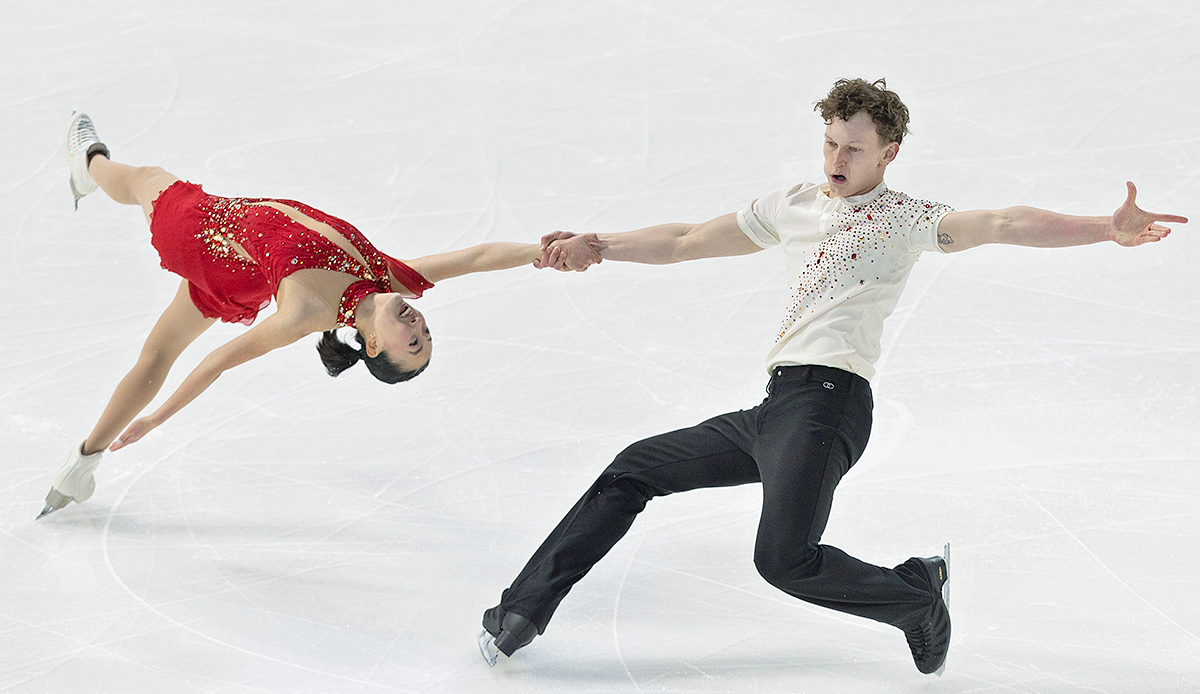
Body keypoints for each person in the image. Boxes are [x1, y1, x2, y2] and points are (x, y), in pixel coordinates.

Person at [478, 78, 1187, 675]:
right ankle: (519, 612)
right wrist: (598, 245)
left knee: (783, 559)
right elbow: (688, 240)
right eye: (830, 142)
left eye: (853, 147)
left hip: (830, 405)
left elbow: (1001, 221)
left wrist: (1104, 227)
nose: (837, 158)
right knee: (633, 469)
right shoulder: (794, 205)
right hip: (778, 407)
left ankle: (915, 598)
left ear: (889, 153)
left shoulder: (904, 218)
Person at [39, 112, 571, 520]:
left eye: (412, 343)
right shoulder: (388, 279)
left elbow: (219, 361)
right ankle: (82, 464)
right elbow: (477, 259)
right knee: (155, 356)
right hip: (239, 267)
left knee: (146, 180)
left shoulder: (306, 312)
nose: (418, 326)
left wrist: (158, 419)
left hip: (203, 232)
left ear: (374, 346)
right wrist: (543, 253)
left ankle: (89, 165)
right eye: (426, 332)